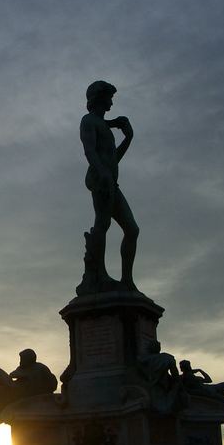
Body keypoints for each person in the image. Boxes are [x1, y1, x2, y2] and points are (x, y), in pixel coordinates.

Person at [76, 80, 139, 295]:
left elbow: (113, 160)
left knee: (132, 229)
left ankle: (127, 280)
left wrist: (128, 138)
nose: (111, 103)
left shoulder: (103, 125)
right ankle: (99, 275)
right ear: (99, 98)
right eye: (109, 98)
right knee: (102, 224)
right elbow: (90, 151)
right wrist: (102, 172)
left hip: (111, 180)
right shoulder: (88, 121)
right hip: (100, 180)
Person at [0, 349, 58, 424]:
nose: (20, 361)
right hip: (15, 387)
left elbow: (51, 384)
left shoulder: (39, 368)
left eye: (22, 359)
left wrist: (28, 379)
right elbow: (14, 375)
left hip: (16, 390)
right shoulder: (24, 367)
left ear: (29, 359)